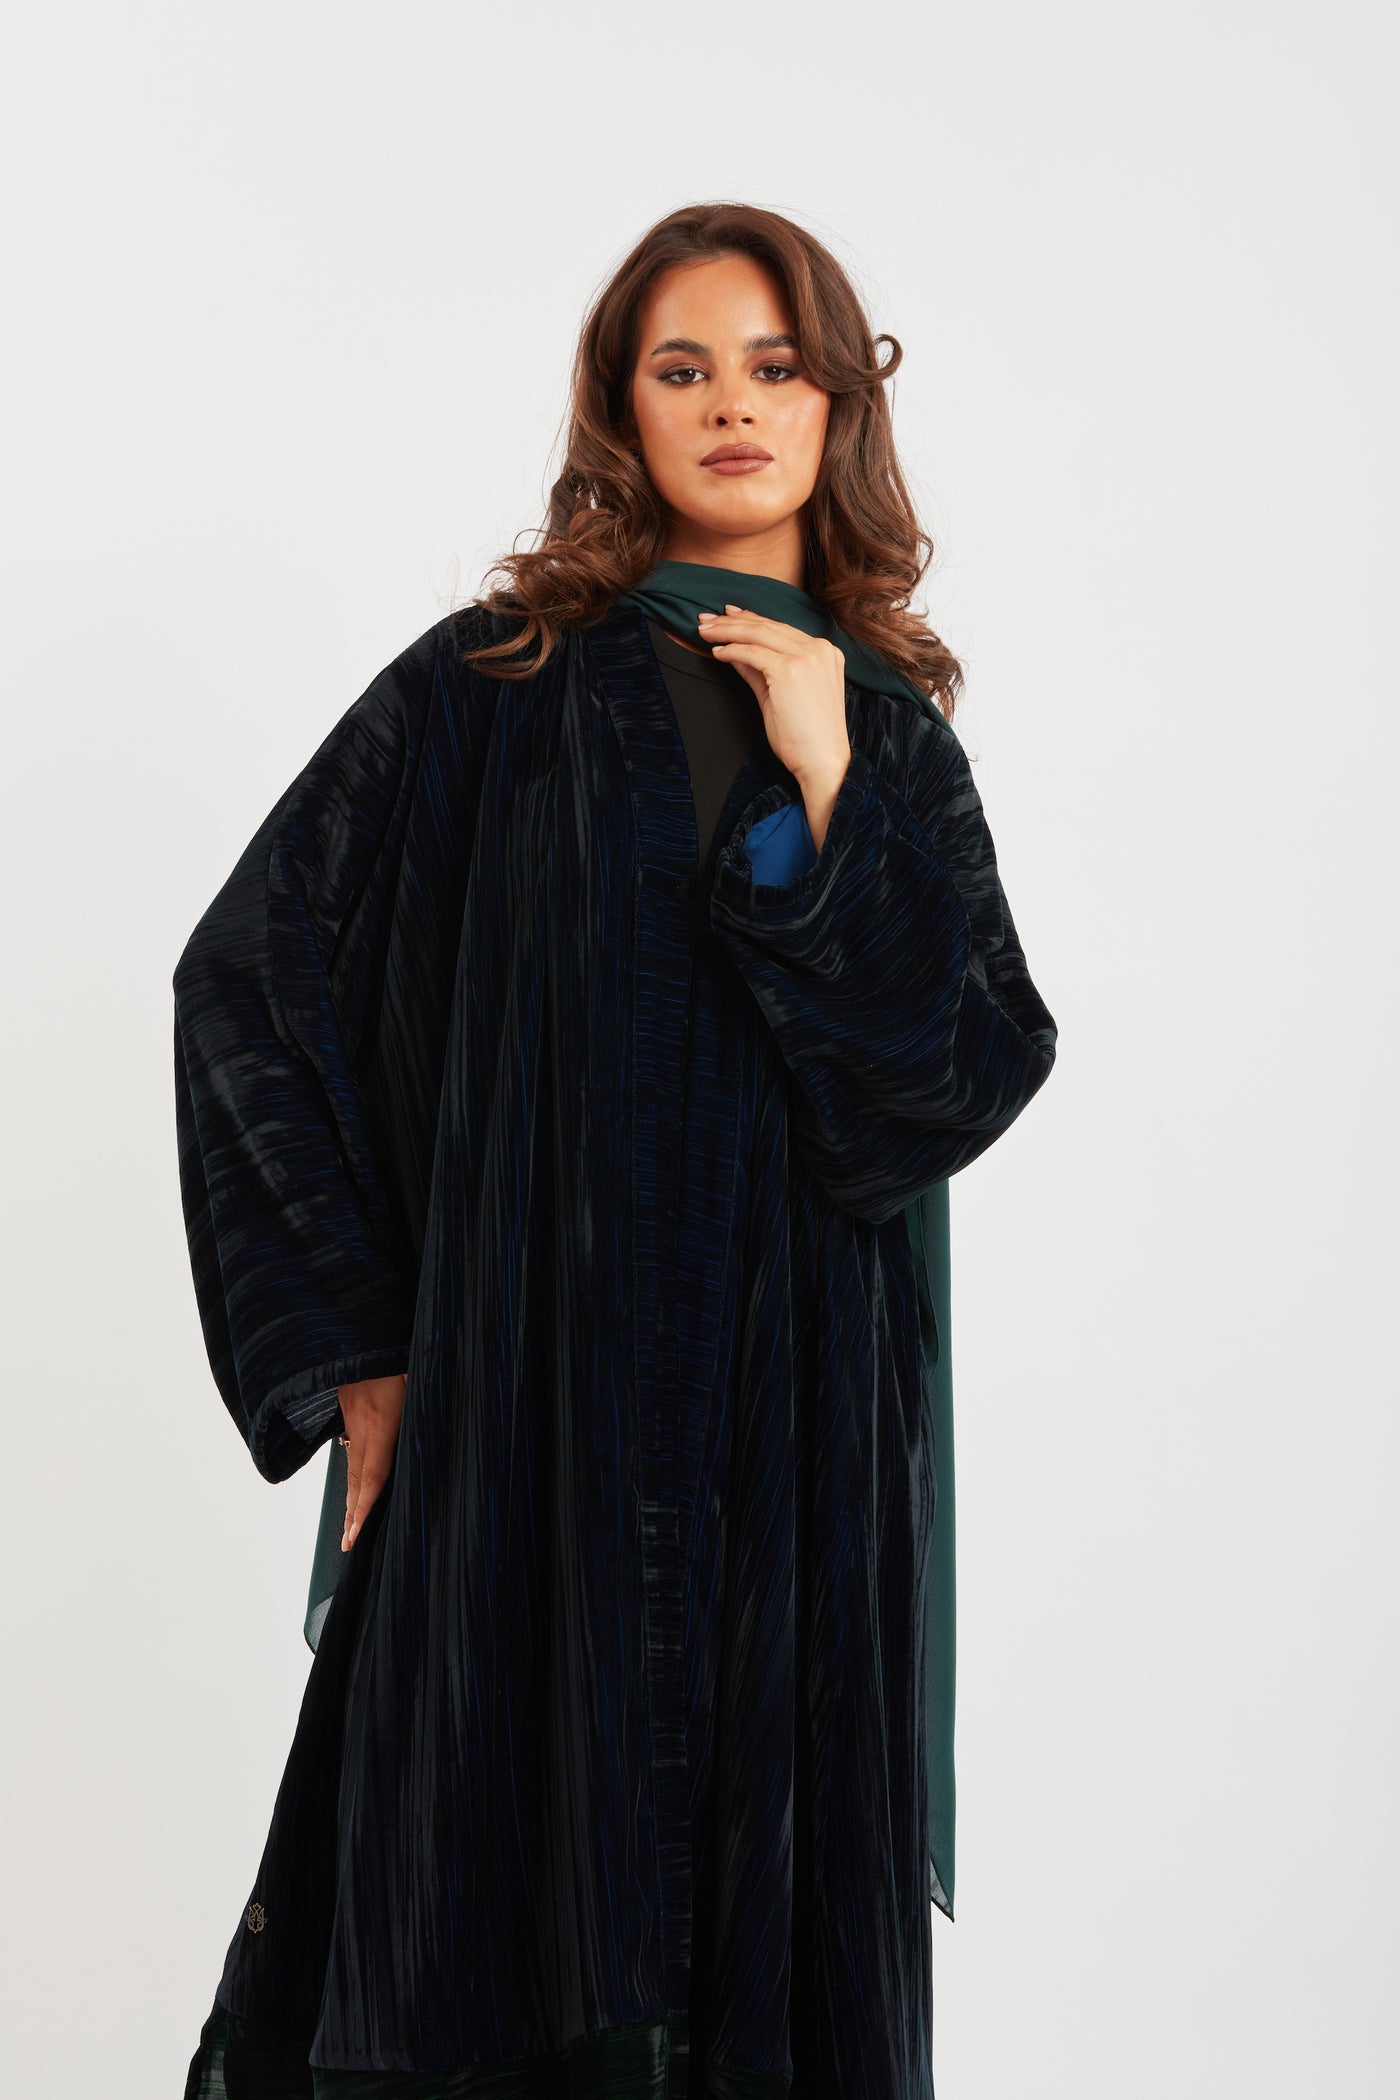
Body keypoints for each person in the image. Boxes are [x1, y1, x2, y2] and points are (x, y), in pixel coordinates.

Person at [174, 200, 1057, 2100]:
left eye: (775, 366)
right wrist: (359, 1353)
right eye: (684, 368)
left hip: (797, 1454)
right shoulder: (492, 688)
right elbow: (251, 973)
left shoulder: (893, 741)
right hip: (530, 1425)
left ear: (837, 405)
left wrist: (828, 771)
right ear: (622, 407)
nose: (732, 406)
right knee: (491, 1905)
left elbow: (954, 1081)